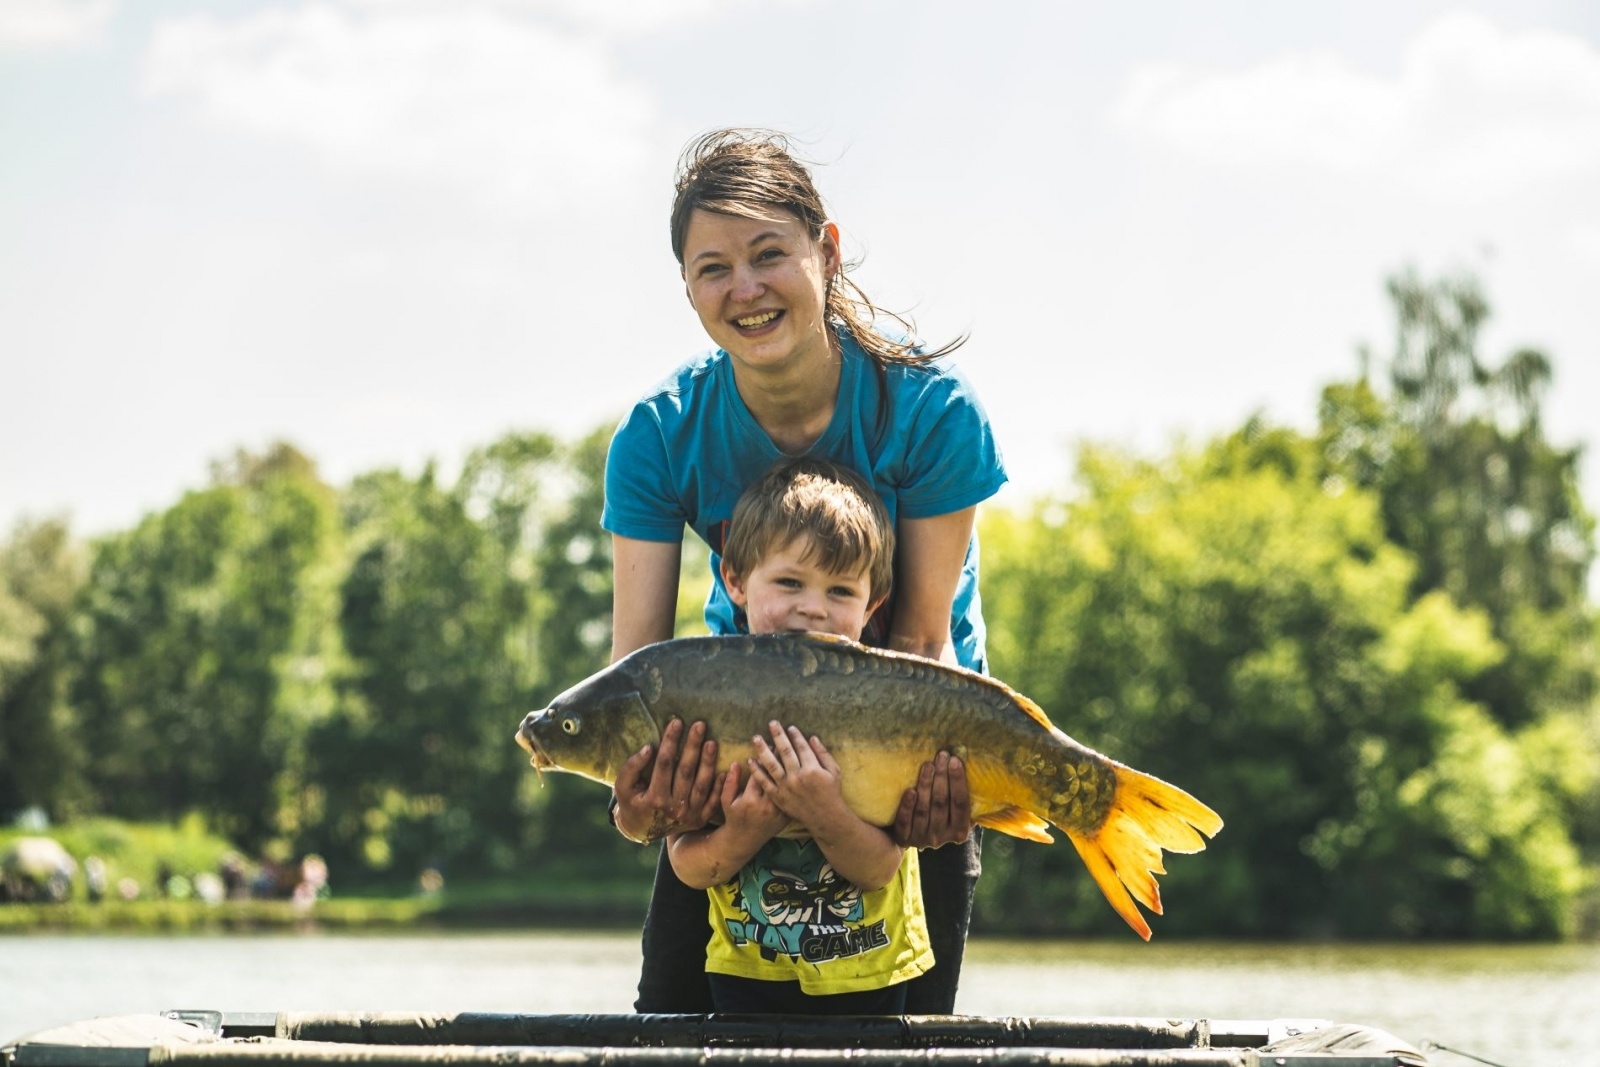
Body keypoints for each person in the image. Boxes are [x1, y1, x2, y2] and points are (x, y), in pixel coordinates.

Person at [602, 128, 1007, 1015]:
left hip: (911, 758)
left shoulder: (934, 412)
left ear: (824, 250)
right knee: (669, 1027)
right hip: (734, 758)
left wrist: (897, 816)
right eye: (713, 268)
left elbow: (922, 644)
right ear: (687, 287)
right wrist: (639, 807)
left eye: (767, 254)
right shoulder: (657, 435)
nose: (744, 288)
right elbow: (637, 675)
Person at [668, 457, 930, 1013]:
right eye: (790, 582)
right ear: (734, 581)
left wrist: (824, 811)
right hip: (746, 969)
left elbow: (879, 867)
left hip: (869, 971)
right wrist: (745, 828)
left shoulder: (891, 702)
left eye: (840, 592)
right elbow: (689, 866)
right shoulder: (706, 696)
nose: (813, 608)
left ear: (872, 604)